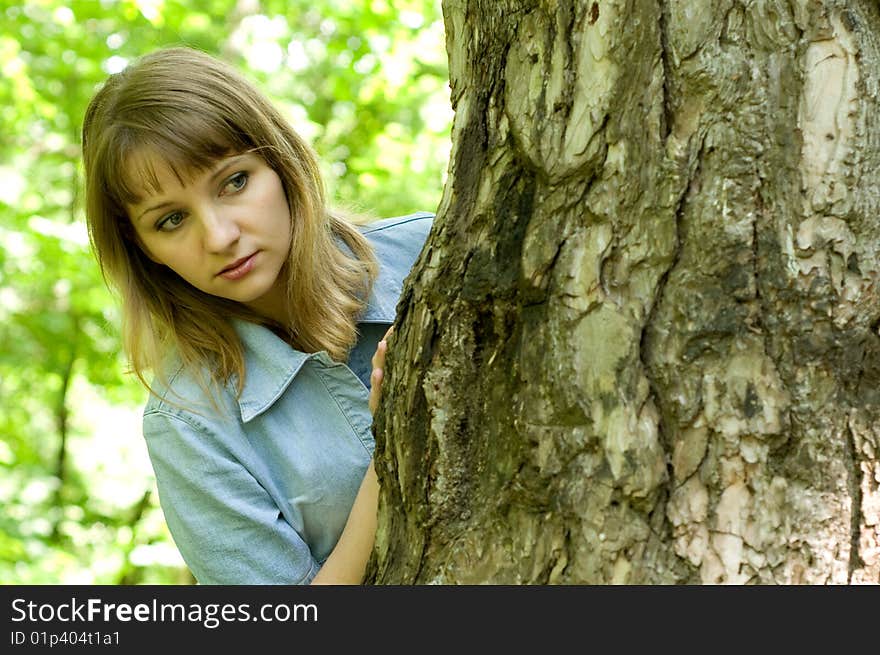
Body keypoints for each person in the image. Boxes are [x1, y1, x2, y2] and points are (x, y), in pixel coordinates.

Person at [81, 46, 433, 584]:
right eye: (172, 219)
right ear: (143, 247)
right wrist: (394, 449)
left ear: (281, 162)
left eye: (234, 182)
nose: (221, 237)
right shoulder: (190, 425)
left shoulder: (431, 254)